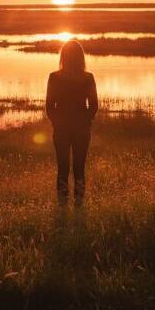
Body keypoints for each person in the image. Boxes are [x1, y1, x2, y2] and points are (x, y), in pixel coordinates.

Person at [45, 39, 98, 206]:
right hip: (80, 129)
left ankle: (63, 204)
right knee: (79, 167)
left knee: (62, 167)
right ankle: (78, 204)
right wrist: (86, 121)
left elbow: (49, 106)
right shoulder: (87, 77)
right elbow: (94, 106)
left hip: (63, 129)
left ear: (63, 56)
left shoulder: (54, 77)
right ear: (81, 57)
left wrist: (57, 122)